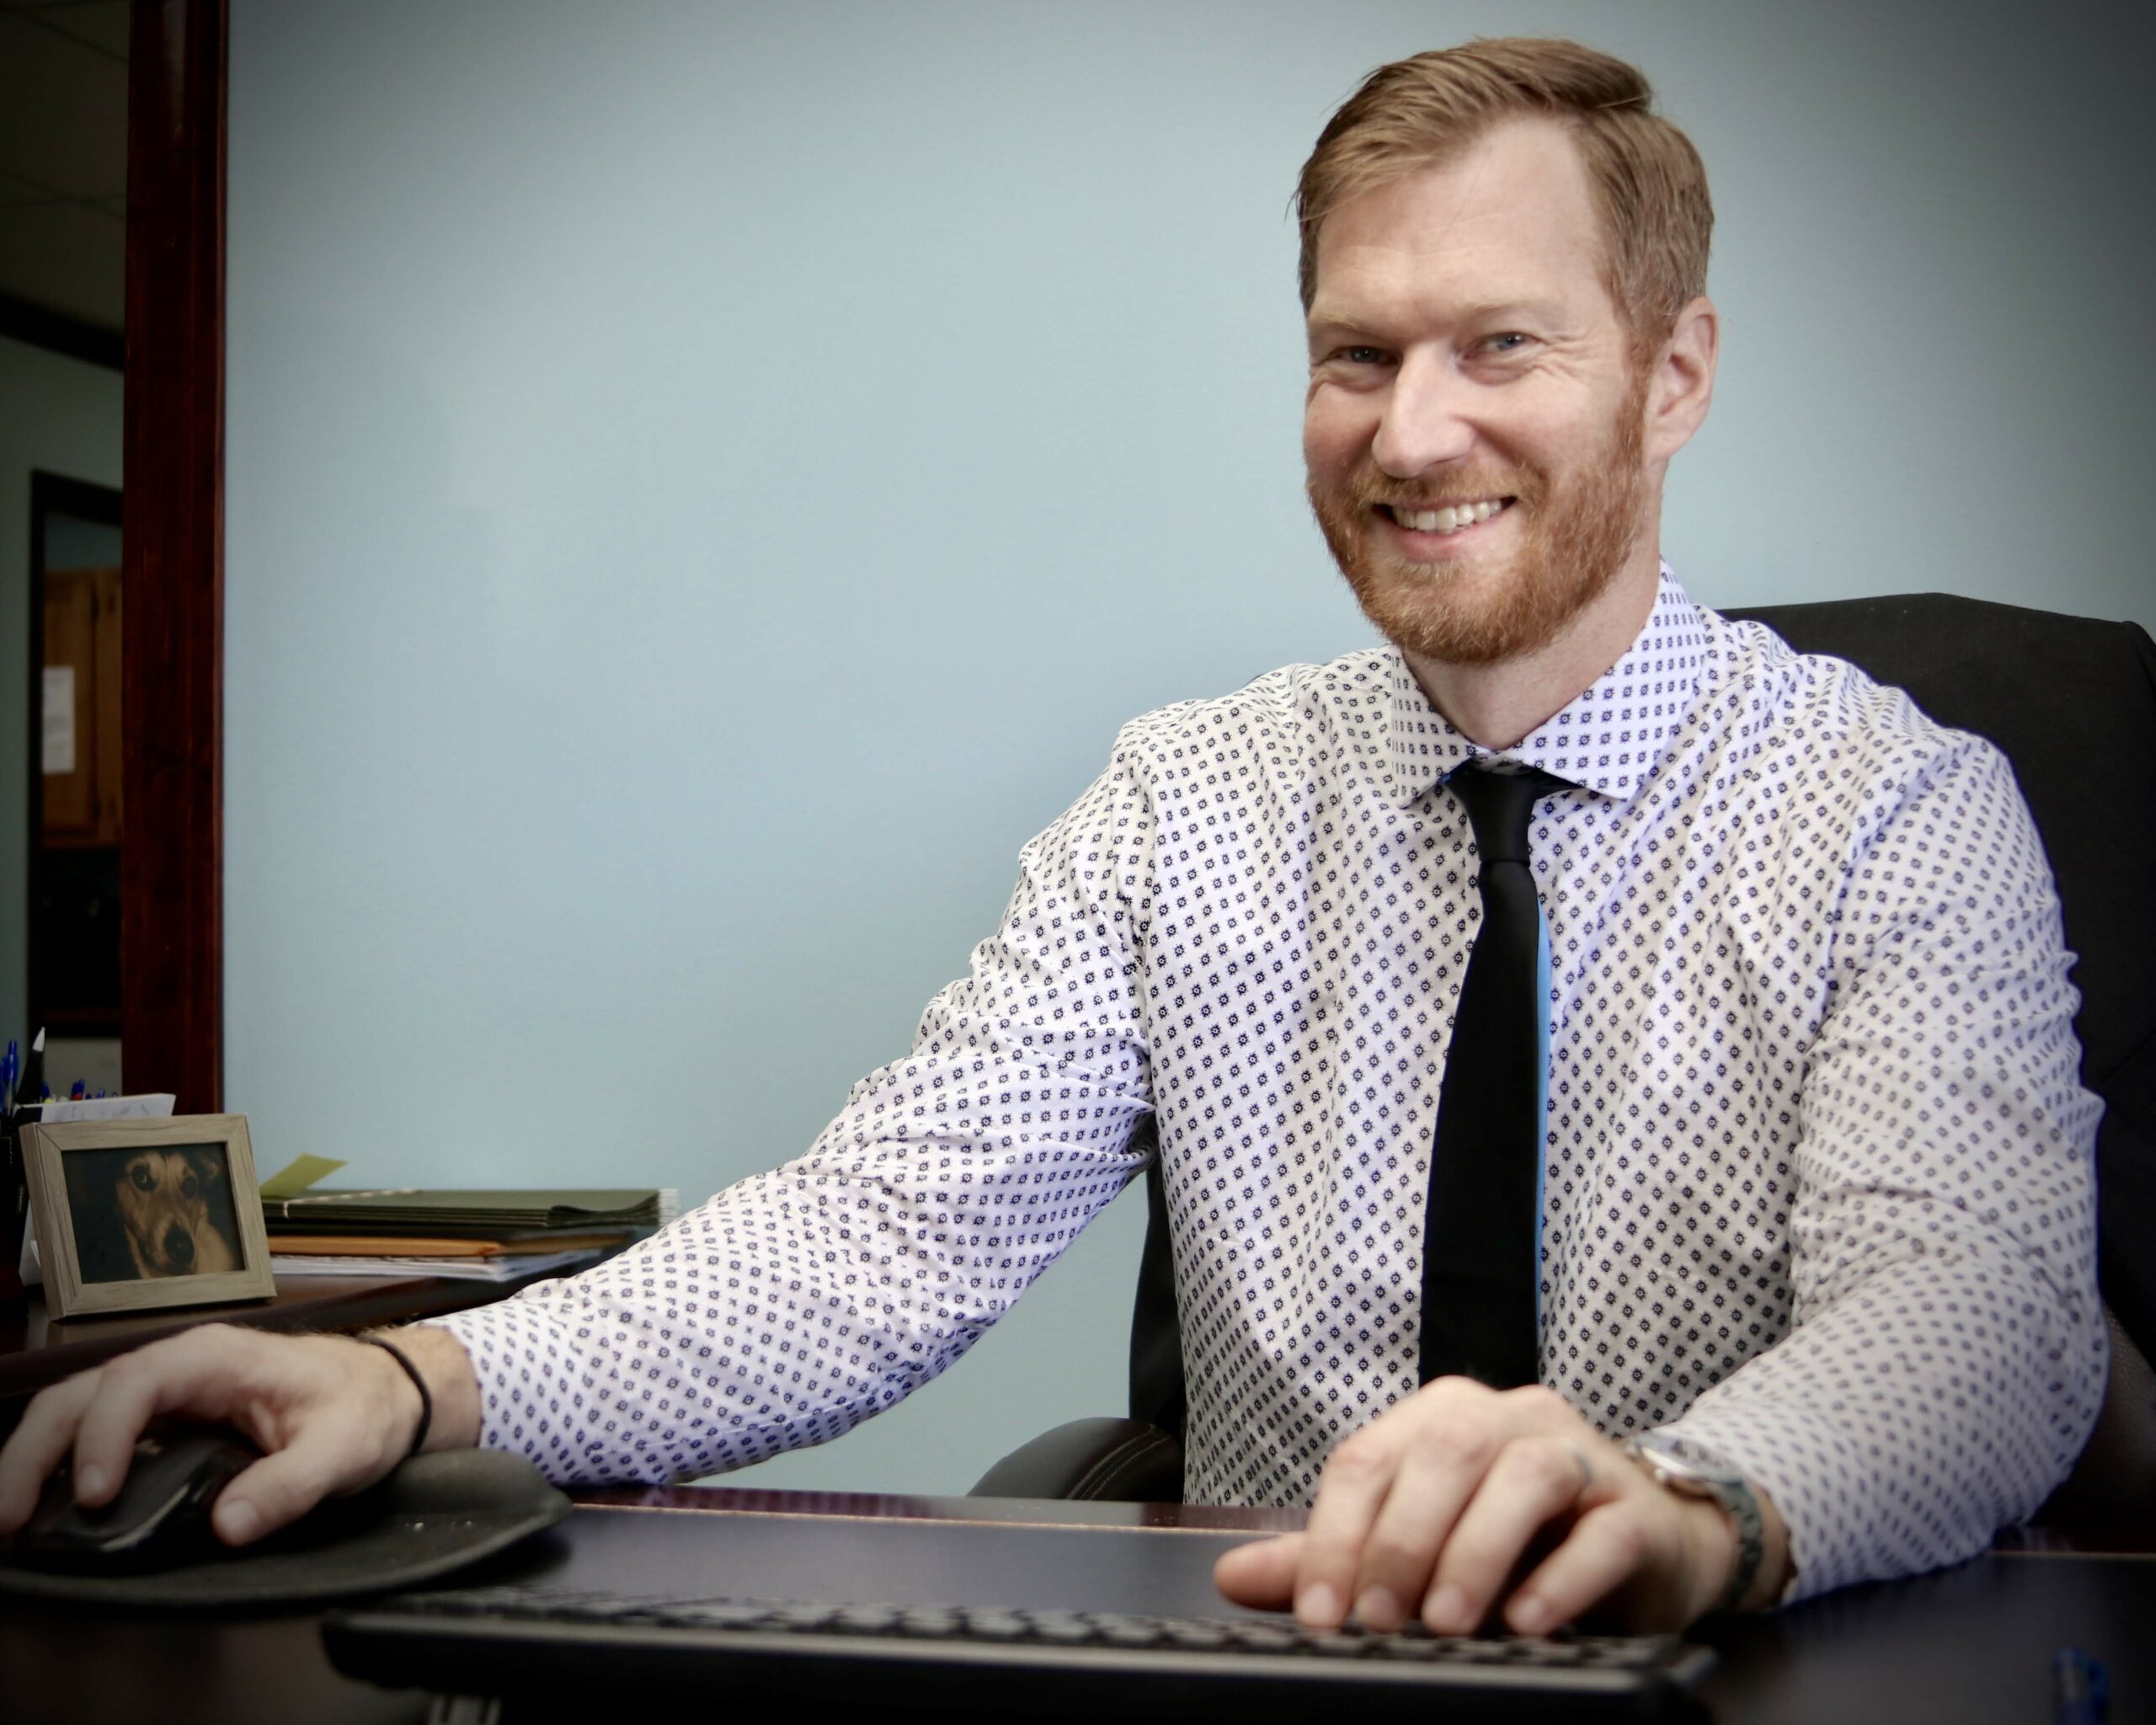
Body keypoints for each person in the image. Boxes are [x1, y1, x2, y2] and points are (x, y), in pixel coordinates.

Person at [0, 38, 2105, 1638]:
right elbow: (873, 1239)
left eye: (1500, 347)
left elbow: (1974, 1324)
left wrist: (1691, 1505)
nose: (1410, 429)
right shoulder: (1182, 798)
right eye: (1351, 357)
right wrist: (408, 1377)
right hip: (1281, 1670)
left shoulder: (1896, 810)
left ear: (1669, 377)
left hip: (1740, 1657)